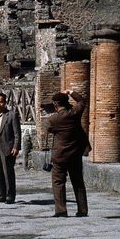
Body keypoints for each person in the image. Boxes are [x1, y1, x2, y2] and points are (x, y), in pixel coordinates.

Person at [46, 90, 89, 218]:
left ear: (55, 105)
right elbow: (82, 101)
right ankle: (82, 210)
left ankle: (61, 210)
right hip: (75, 154)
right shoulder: (74, 113)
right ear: (67, 102)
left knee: (58, 182)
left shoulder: (53, 119)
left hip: (60, 156)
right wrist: (71, 92)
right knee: (78, 182)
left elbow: (49, 129)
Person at [0, 93, 21, 204]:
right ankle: (1, 194)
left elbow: (17, 133)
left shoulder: (11, 115)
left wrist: (16, 147)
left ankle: (11, 195)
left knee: (8, 172)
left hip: (8, 147)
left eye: (1, 102)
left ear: (5, 103)